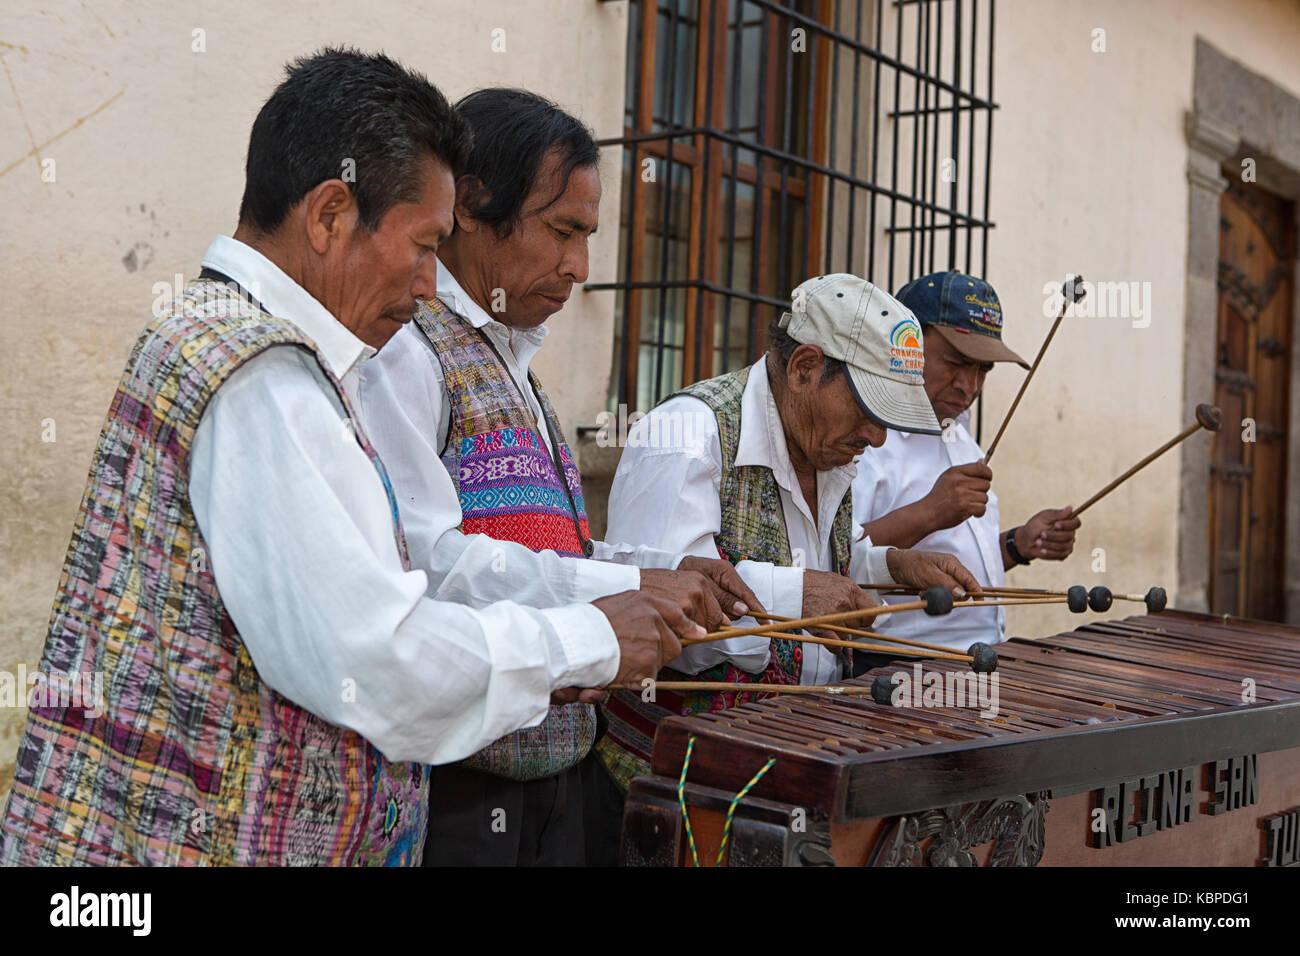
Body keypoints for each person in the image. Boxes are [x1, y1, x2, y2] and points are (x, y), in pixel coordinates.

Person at [0, 49, 689, 868]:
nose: (433, 286)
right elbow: (378, 660)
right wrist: (586, 640)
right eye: (426, 246)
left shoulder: (261, 349)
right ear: (330, 216)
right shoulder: (260, 377)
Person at [359, 88, 758, 866]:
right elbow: (422, 563)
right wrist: (609, 599)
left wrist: (646, 571)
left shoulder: (517, 363)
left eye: (587, 236)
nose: (578, 267)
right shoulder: (408, 350)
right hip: (460, 789)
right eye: (561, 230)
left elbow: (544, 550)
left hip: (556, 775)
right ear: (471, 206)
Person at [594, 273, 982, 863]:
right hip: (670, 795)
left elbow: (825, 564)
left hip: (785, 777)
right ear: (804, 368)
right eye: (868, 410)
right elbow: (661, 624)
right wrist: (796, 596)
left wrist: (890, 564)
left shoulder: (827, 446)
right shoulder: (689, 434)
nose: (876, 437)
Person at [853, 271, 1082, 651]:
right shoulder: (863, 438)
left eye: (983, 370)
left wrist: (1017, 544)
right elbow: (831, 557)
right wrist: (931, 511)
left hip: (982, 656)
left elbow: (957, 562)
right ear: (906, 344)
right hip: (898, 669)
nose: (969, 386)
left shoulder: (961, 437)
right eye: (956, 362)